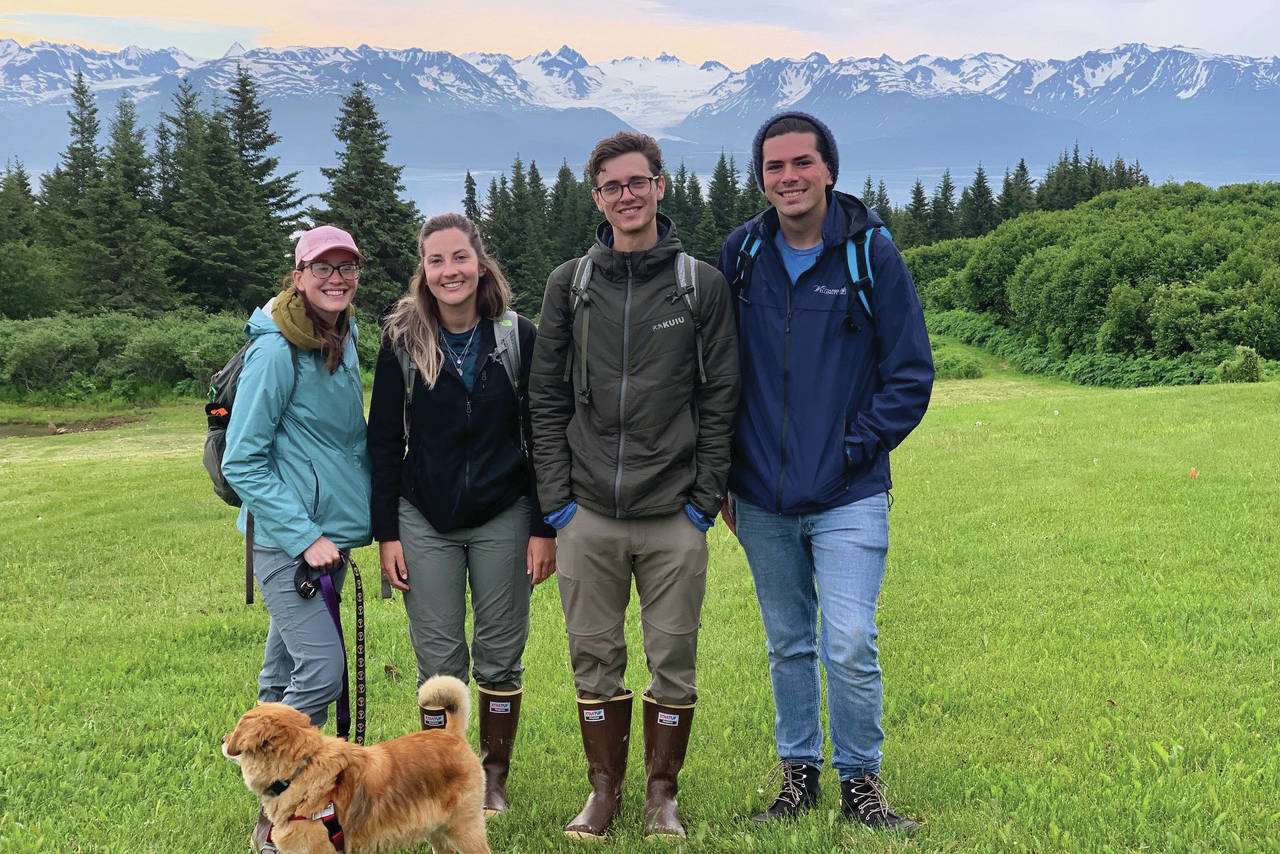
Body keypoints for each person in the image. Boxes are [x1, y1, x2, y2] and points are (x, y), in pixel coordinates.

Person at [716, 112, 933, 833]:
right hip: (761, 496)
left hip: (849, 493)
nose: (789, 178)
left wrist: (852, 448)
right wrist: (722, 469)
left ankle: (861, 782)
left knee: (847, 640)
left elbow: (909, 376)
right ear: (762, 179)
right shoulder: (742, 254)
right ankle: (798, 775)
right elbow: (715, 374)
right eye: (774, 167)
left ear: (829, 170)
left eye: (801, 163)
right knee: (787, 641)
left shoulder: (872, 255)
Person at [529, 131, 739, 840]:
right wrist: (557, 502)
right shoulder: (570, 284)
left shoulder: (698, 283)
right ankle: (603, 792)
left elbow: (722, 398)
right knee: (593, 659)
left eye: (637, 182)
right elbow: (546, 397)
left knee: (673, 658)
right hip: (586, 509)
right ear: (596, 196)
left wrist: (704, 499)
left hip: (674, 511)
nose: (626, 195)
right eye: (611, 185)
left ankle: (662, 796)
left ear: (660, 186)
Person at [366, 212, 556, 818]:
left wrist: (543, 526)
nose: (450, 271)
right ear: (424, 270)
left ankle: (492, 777)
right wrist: (387, 534)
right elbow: (382, 444)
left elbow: (543, 434)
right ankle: (442, 775)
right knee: (439, 659)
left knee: (500, 654)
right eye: (436, 260)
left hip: (506, 511)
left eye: (459, 258)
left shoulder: (517, 336)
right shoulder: (402, 341)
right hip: (423, 516)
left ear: (480, 262)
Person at [221, 224, 373, 854]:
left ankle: (272, 800)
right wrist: (306, 534)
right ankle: (279, 810)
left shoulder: (340, 336)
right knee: (321, 671)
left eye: (347, 267)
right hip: (291, 545)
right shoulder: (276, 353)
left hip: (325, 540)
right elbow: (243, 461)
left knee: (281, 672)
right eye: (322, 267)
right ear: (298, 273)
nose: (336, 278)